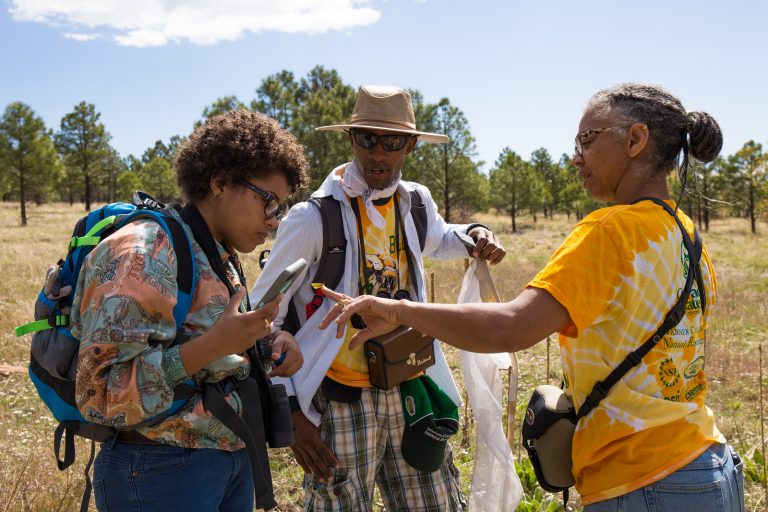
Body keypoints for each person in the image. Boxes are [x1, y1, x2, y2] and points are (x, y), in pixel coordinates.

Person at [320, 83, 745, 511]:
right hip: (711, 464)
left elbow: (511, 326)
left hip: (643, 481)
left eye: (587, 140)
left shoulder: (607, 233)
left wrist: (397, 309)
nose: (576, 156)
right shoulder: (687, 233)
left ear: (635, 140)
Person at [249, 85, 506, 511]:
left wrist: (475, 235)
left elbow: (441, 239)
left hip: (409, 387)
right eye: (367, 138)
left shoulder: (415, 203)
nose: (378, 153)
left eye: (392, 142)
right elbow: (261, 317)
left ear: (410, 145)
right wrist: (290, 411)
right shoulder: (314, 218)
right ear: (352, 139)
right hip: (340, 400)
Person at [72, 109, 308, 511]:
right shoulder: (143, 253)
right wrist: (217, 344)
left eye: (280, 208)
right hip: (158, 471)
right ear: (219, 183)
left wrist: (269, 342)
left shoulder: (216, 251)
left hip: (226, 461)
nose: (273, 221)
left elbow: (205, 339)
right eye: (268, 202)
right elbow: (99, 394)